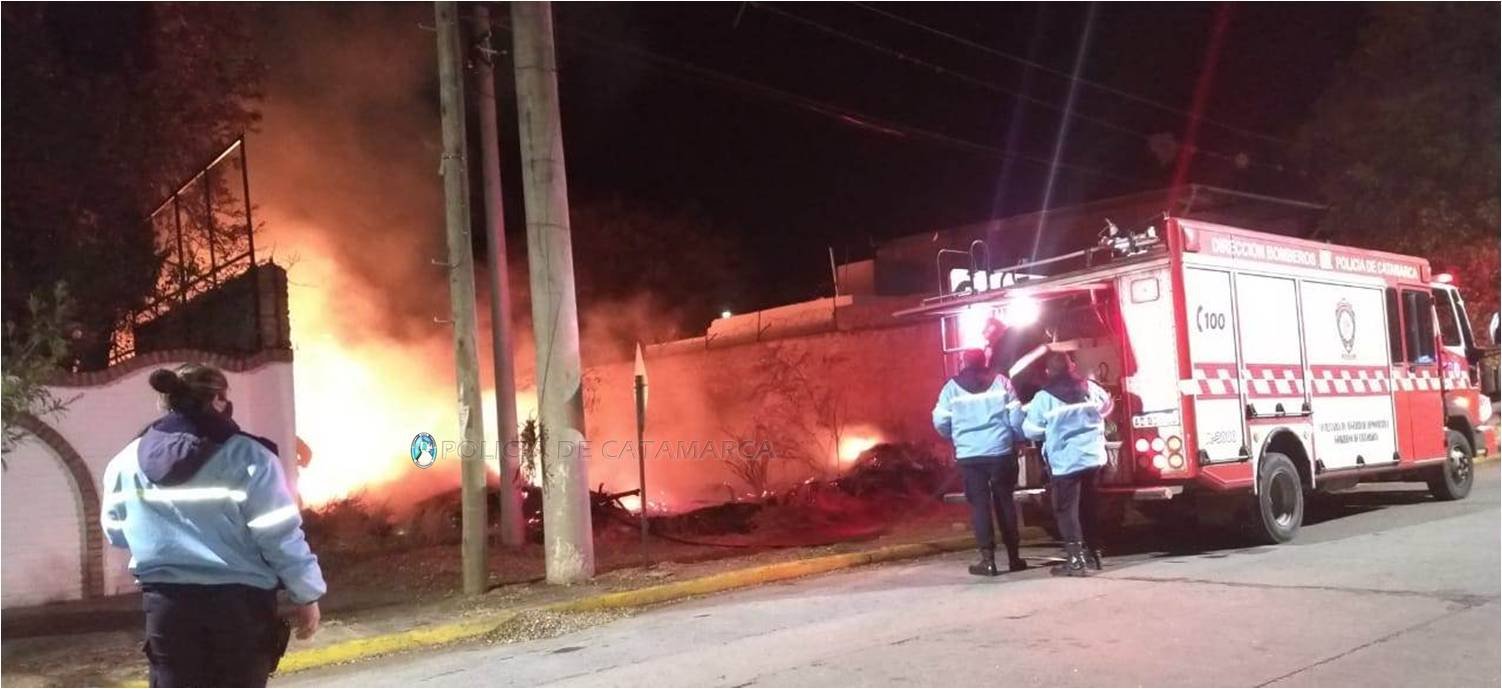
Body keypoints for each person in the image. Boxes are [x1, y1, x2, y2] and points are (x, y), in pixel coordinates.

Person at [101, 364, 326, 687]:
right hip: (240, 612)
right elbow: (279, 537)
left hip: (167, 610)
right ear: (219, 400)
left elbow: (116, 533)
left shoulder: (126, 461)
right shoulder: (251, 457)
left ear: (167, 402)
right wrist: (307, 594)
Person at [933, 348, 1029, 576]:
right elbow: (1016, 417)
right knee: (1005, 502)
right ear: (984, 360)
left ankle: (988, 560)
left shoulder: (951, 388)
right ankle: (1014, 557)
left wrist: (956, 436)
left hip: (970, 455)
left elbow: (940, 421)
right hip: (1000, 452)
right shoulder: (1001, 382)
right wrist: (1017, 438)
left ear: (962, 362)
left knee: (980, 506)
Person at [1022, 350, 1114, 577]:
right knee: (1089, 507)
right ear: (1071, 366)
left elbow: (1031, 429)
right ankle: (1094, 554)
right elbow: (1107, 408)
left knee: (1066, 510)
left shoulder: (1044, 397)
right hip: (1093, 458)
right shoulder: (1091, 388)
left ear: (1048, 371)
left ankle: (1075, 560)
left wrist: (1053, 430)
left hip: (1065, 462)